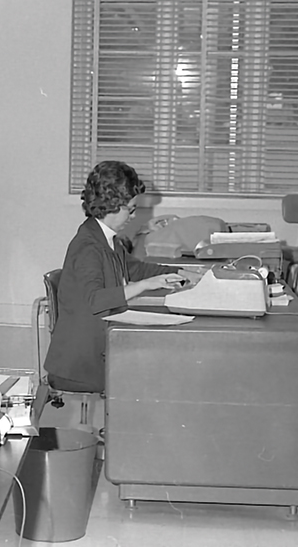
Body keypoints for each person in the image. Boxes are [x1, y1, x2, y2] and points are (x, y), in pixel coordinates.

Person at [44, 161, 202, 394]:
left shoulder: (106, 238)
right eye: (130, 209)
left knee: (162, 364)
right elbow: (97, 300)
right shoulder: (88, 246)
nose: (133, 215)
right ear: (111, 205)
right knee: (161, 374)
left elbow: (134, 269)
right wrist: (144, 286)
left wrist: (180, 273)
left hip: (94, 346)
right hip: (79, 364)